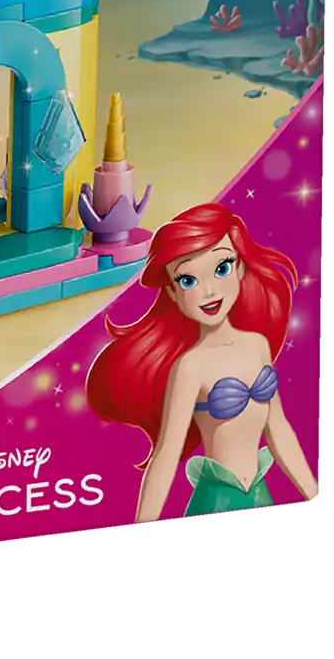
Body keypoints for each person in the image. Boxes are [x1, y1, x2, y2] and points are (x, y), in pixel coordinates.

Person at [86, 202, 318, 519]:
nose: (208, 291)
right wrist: (141, 532)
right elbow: (167, 453)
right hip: (215, 503)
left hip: (259, 496)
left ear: (239, 267)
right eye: (188, 280)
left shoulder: (257, 346)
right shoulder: (191, 366)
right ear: (171, 292)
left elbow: (278, 430)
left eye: (221, 268)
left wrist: (314, 495)